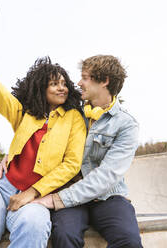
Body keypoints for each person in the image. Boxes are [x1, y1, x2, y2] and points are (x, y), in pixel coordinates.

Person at [0, 13, 86, 248]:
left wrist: (32, 193)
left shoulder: (74, 119)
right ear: (40, 88)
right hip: (2, 187)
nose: (62, 88)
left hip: (35, 197)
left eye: (63, 83)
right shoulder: (25, 114)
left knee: (35, 227)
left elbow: (71, 164)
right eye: (54, 83)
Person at [32, 55, 143, 247]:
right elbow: (42, 137)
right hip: (71, 194)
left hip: (108, 197)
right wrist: (12, 156)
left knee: (129, 241)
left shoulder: (126, 124)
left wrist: (56, 199)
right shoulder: (71, 113)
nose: (79, 83)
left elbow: (106, 176)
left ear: (104, 81)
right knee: (65, 236)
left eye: (85, 77)